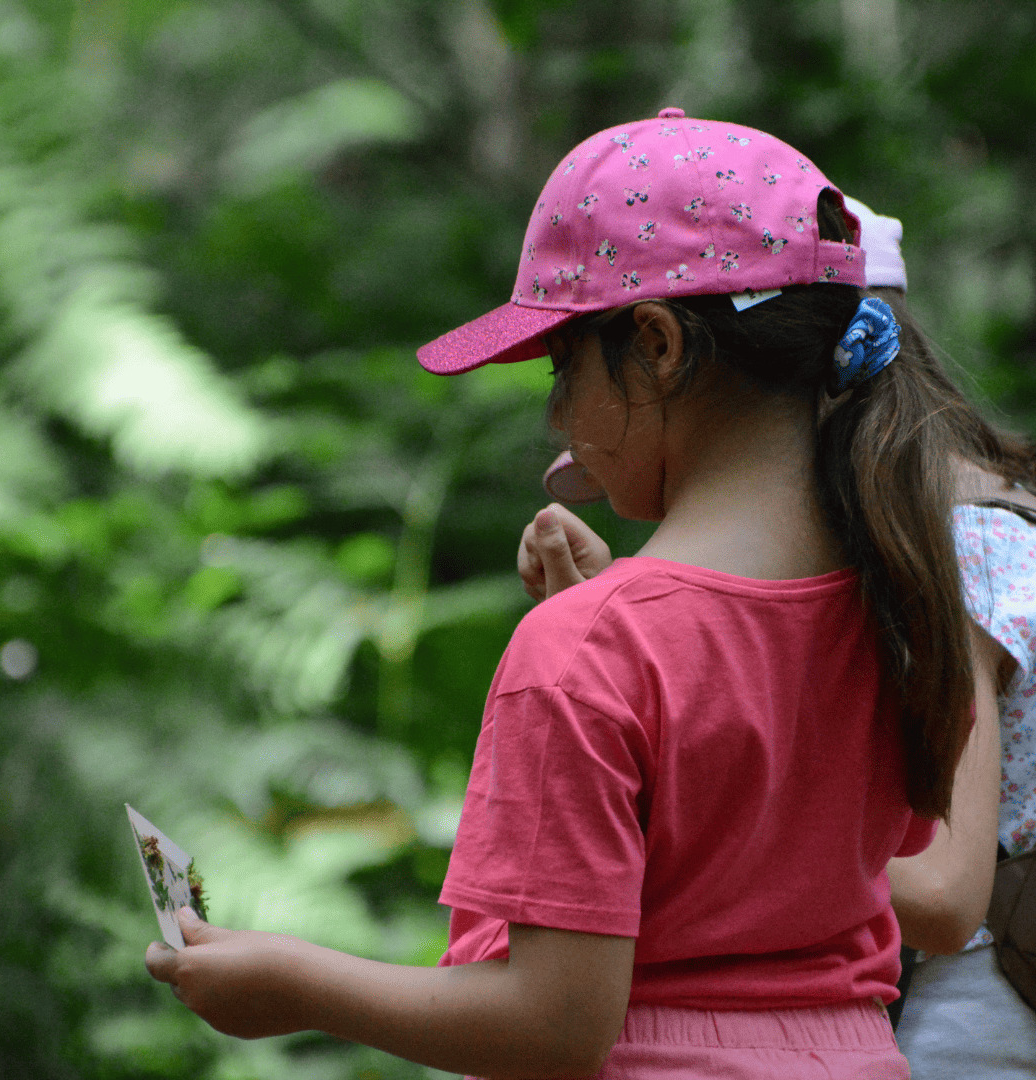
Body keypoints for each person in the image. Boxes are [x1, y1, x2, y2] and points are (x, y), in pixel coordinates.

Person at [146, 108, 986, 1078]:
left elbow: (554, 1026)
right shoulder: (905, 592)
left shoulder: (590, 650)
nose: (556, 414)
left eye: (564, 365)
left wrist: (296, 983)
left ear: (657, 344)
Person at [522, 196, 1036, 1074]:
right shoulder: (881, 537)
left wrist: (702, 810)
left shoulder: (956, 545)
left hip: (965, 1028)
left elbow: (947, 896)